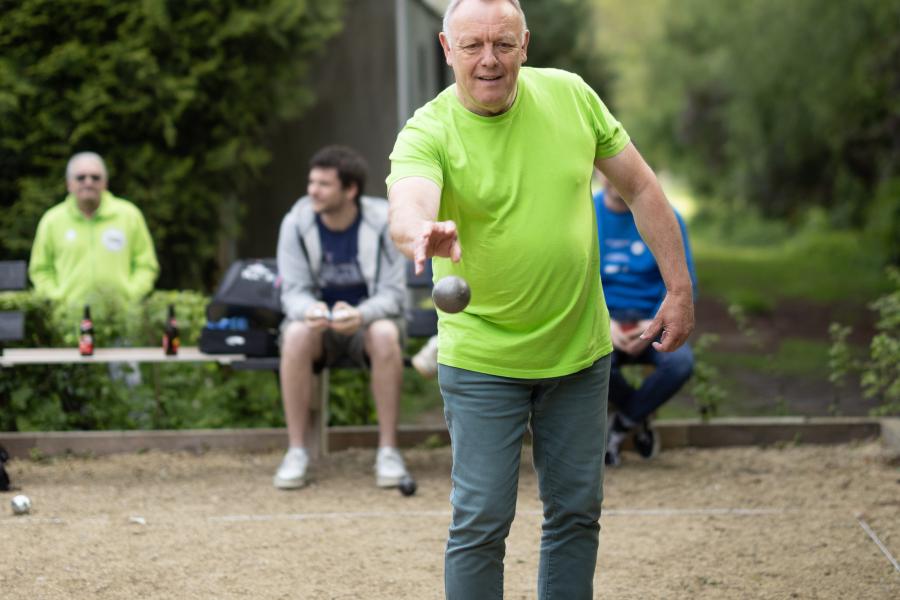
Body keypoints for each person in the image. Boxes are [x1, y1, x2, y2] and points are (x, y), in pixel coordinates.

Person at [386, 1, 694, 598]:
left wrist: (678, 288)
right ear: (447, 50)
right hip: (482, 357)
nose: (489, 60)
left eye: (503, 44)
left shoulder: (571, 97)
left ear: (525, 44)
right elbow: (408, 201)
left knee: (577, 512)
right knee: (481, 520)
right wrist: (419, 231)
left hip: (578, 350)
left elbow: (639, 186)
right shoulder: (428, 129)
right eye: (472, 46)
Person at [273, 145, 410, 490]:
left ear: (350, 190)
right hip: (317, 325)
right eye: (311, 182)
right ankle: (297, 451)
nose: (313, 191)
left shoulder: (383, 222)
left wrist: (360, 314)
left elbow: (393, 294)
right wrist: (310, 310)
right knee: (295, 334)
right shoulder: (296, 222)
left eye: (323, 184)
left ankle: (389, 451)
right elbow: (292, 292)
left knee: (385, 334)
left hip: (368, 322)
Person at [595, 175, 697, 467]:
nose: (615, 177)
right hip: (602, 320)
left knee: (680, 363)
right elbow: (575, 281)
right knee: (589, 363)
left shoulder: (665, 216)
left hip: (653, 318)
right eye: (606, 169)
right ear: (597, 172)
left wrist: (654, 323)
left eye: (621, 169)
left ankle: (622, 424)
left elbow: (684, 281)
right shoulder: (583, 214)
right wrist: (604, 323)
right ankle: (637, 418)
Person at [29, 152, 159, 307]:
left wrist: (130, 296)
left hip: (120, 314)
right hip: (68, 315)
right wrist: (57, 299)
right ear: (69, 184)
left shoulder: (129, 215)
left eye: (95, 177)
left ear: (105, 183)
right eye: (81, 177)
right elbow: (40, 269)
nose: (88, 182)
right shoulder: (52, 220)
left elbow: (146, 265)